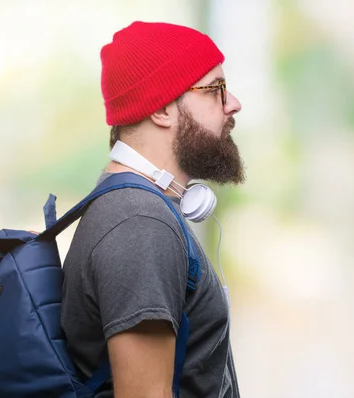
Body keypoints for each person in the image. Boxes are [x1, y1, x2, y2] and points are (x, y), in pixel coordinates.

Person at [60, 21, 245, 398]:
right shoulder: (138, 223)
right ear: (162, 108)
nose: (233, 103)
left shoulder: (137, 210)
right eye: (216, 90)